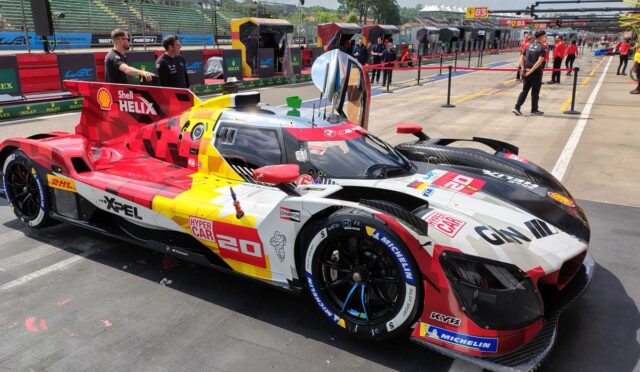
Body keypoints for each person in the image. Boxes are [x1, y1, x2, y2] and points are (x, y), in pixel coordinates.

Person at [513, 30, 547, 116]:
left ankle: (517, 107)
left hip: (526, 70)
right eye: (545, 36)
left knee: (525, 90)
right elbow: (540, 61)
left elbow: (521, 57)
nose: (545, 37)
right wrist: (531, 71)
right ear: (542, 36)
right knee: (535, 92)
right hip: (536, 73)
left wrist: (523, 68)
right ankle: (534, 109)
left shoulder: (528, 45)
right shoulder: (542, 47)